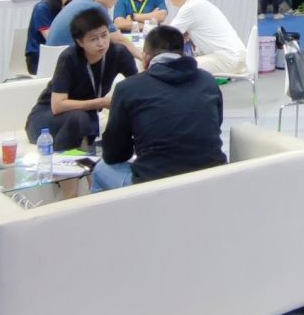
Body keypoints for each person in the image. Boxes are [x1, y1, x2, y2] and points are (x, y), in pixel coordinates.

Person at [92, 24, 227, 192]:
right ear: (183, 53)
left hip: (156, 187)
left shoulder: (128, 88)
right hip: (213, 179)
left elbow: (115, 154)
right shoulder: (208, 81)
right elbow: (214, 124)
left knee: (100, 170)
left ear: (145, 58)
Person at [24, 6, 137, 151]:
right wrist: (101, 102)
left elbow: (137, 86)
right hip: (46, 119)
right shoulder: (69, 58)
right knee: (81, 118)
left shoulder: (119, 53)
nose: (101, 43)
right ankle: (63, 160)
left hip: (85, 116)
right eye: (93, 39)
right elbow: (58, 105)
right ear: (80, 42)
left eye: (104, 35)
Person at [165, 0, 247, 74]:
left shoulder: (190, 7)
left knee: (174, 67)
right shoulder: (198, 2)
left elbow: (166, 36)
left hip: (227, 59)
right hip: (235, 57)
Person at [45, 0, 123, 47]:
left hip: (51, 53)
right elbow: (119, 40)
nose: (116, 2)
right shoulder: (95, 7)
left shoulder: (78, 2)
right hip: (66, 54)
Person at [24, 0, 77, 72]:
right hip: (39, 56)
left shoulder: (70, 6)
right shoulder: (42, 8)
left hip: (62, 53)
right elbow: (51, 38)